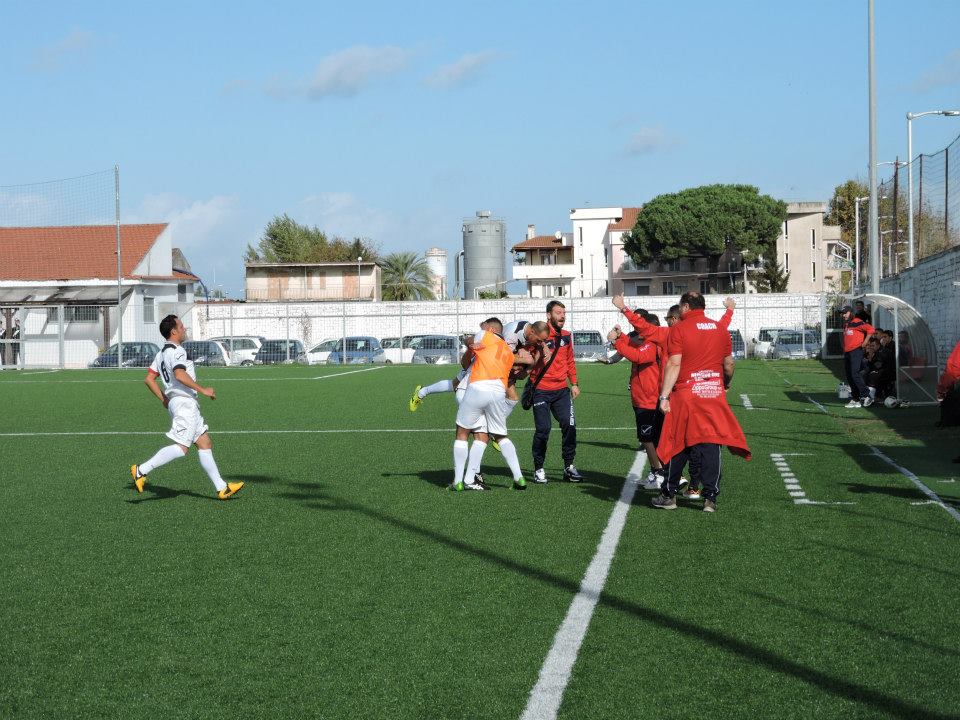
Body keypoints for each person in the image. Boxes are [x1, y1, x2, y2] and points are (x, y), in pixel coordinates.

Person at [652, 291, 751, 512]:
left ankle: (669, 496)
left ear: (686, 307)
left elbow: (674, 364)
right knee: (711, 443)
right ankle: (710, 499)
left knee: (678, 443)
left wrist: (664, 396)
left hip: (686, 394)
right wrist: (724, 383)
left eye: (681, 306)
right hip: (712, 393)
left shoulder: (679, 329)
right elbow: (729, 364)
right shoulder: (720, 329)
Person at [131, 314, 244, 500]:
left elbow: (149, 379)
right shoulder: (178, 351)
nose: (184, 329)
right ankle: (141, 470)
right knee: (181, 448)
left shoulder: (161, 354)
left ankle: (222, 488)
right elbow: (180, 374)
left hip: (180, 402)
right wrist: (203, 390)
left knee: (204, 442)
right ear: (174, 331)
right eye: (181, 326)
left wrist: (164, 399)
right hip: (185, 404)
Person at [408, 321, 549, 410]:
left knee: (512, 398)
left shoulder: (528, 327)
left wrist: (544, 347)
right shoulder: (510, 336)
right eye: (539, 340)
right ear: (532, 332)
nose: (539, 343)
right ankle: (494, 431)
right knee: (458, 388)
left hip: (491, 364)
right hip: (483, 363)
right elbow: (503, 357)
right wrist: (528, 362)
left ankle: (422, 392)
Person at [449, 318, 521, 491]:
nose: (479, 330)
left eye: (482, 327)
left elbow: (468, 340)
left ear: (490, 329)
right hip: (498, 392)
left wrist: (471, 344)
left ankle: (458, 481)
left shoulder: (485, 336)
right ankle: (519, 478)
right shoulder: (508, 351)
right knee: (496, 436)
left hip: (478, 387)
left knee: (462, 433)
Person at [607, 319, 667, 490]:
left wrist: (616, 342)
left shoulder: (652, 344)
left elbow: (637, 356)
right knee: (650, 439)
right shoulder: (648, 343)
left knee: (648, 439)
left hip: (648, 399)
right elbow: (634, 346)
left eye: (639, 327)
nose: (637, 330)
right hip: (644, 398)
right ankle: (659, 473)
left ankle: (660, 473)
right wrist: (621, 337)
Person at [531, 300, 582, 483]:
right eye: (558, 312)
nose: (562, 316)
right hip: (541, 390)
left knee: (569, 426)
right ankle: (538, 468)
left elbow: (570, 361)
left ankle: (569, 467)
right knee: (543, 430)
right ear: (548, 315)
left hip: (561, 390)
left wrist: (574, 383)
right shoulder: (538, 335)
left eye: (564, 313)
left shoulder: (566, 336)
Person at [840, 305, 876, 408]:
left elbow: (871, 329)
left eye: (845, 313)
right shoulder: (847, 324)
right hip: (848, 353)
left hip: (856, 351)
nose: (843, 315)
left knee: (855, 374)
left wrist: (865, 342)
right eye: (842, 313)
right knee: (849, 375)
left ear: (850, 312)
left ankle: (867, 395)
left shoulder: (857, 321)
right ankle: (855, 399)